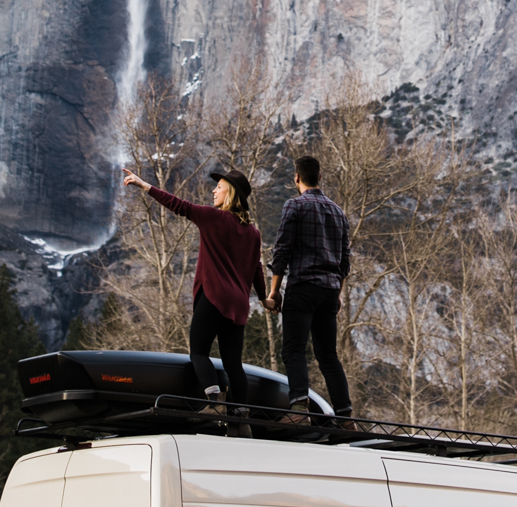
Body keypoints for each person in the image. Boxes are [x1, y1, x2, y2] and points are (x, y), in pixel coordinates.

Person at [123, 164, 266, 433]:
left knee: (198, 351)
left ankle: (213, 401)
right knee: (233, 362)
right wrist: (266, 298)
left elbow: (179, 205)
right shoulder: (253, 232)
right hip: (238, 304)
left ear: (230, 194)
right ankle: (241, 416)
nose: (213, 190)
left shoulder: (213, 218)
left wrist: (145, 186)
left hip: (213, 295)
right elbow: (256, 267)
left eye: (219, 187)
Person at [265, 154, 353, 422]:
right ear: (320, 178)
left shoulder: (294, 206)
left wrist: (273, 291)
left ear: (296, 178)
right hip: (328, 292)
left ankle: (298, 409)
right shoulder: (338, 212)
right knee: (328, 355)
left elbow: (282, 251)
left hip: (302, 287)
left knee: (294, 349)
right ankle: (345, 415)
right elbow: (345, 262)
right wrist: (337, 294)